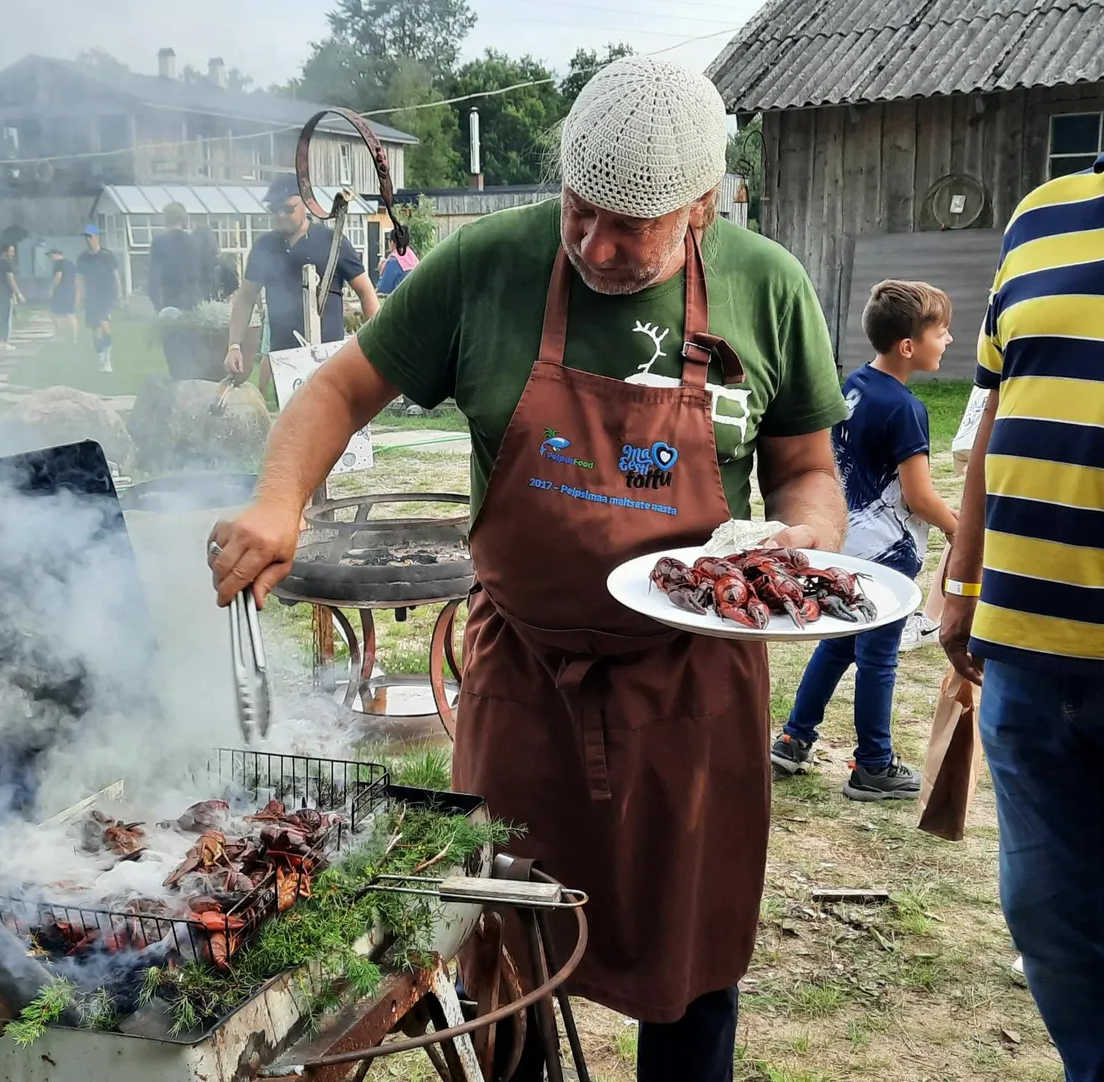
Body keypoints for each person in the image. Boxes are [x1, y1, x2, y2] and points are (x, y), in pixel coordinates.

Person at [208, 56, 848, 1081]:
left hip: (692, 690)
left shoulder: (764, 285)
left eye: (628, 227)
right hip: (525, 682)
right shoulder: (486, 265)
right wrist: (278, 499)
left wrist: (803, 536)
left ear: (700, 204)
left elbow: (808, 472)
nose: (593, 246)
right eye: (576, 210)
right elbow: (336, 388)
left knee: (687, 963)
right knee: (498, 950)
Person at [942, 151, 1104, 1081]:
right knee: (1046, 910)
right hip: (1028, 658)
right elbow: (998, 409)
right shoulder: (1042, 213)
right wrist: (963, 583)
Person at [772, 280, 959, 800]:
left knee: (837, 647)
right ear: (908, 346)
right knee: (880, 658)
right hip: (887, 557)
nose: (947, 341)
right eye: (940, 332)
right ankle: (873, 764)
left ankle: (792, 739)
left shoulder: (853, 384)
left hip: (848, 545)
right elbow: (920, 497)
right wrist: (955, 526)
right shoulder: (904, 408)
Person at [223, 171, 379, 384]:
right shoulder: (264, 247)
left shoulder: (332, 242)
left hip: (328, 358)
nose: (280, 215)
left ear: (305, 203)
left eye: (288, 209)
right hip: (284, 360)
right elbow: (245, 298)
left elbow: (365, 291)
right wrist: (234, 346)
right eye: (274, 209)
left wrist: (376, 346)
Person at [76, 223, 123, 373]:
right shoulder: (83, 258)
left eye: (90, 237)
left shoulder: (107, 256)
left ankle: (108, 358)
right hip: (91, 296)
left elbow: (116, 276)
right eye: (86, 238)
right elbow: (80, 279)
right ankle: (101, 357)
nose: (88, 240)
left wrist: (120, 294)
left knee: (104, 324)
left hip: (106, 295)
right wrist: (78, 296)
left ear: (96, 237)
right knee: (95, 328)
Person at [148, 202, 202, 313]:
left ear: (166, 219)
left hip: (167, 298)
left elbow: (154, 274)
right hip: (190, 299)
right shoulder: (195, 242)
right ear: (183, 219)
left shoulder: (158, 242)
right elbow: (199, 273)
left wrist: (155, 300)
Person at [195, 223, 240, 302]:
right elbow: (233, 286)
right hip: (216, 306)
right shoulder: (221, 264)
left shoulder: (190, 265)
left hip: (194, 305)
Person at [0, 240, 25, 352]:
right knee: (5, 318)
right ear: (5, 251)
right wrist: (19, 294)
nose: (13, 254)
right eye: (11, 251)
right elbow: (11, 280)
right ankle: (3, 342)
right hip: (5, 293)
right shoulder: (6, 264)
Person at [376, 228, 418, 296]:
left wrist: (381, 272)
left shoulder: (394, 260)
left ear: (392, 243)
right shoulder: (414, 258)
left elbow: (382, 289)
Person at [48, 249, 78, 343]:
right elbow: (76, 278)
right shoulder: (71, 264)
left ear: (57, 254)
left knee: (54, 313)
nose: (50, 258)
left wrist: (51, 288)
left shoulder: (59, 263)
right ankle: (74, 338)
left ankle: (59, 335)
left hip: (60, 291)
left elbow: (58, 276)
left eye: (51, 255)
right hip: (70, 291)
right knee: (70, 314)